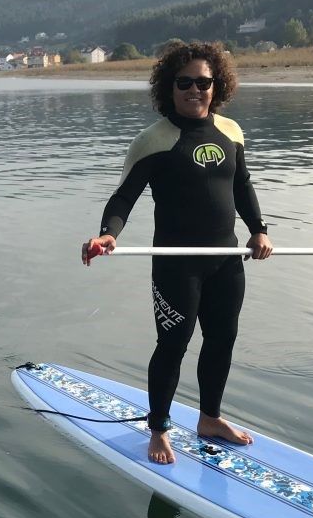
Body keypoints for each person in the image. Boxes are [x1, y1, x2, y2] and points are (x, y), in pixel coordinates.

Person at [81, 41, 272, 465]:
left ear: (215, 86)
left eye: (203, 82)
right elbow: (123, 198)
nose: (194, 90)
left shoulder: (231, 132)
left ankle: (210, 418)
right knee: (173, 345)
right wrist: (108, 234)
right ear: (169, 87)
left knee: (222, 340)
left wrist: (258, 230)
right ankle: (158, 429)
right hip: (176, 263)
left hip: (226, 260)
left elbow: (242, 186)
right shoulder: (153, 141)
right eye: (184, 83)